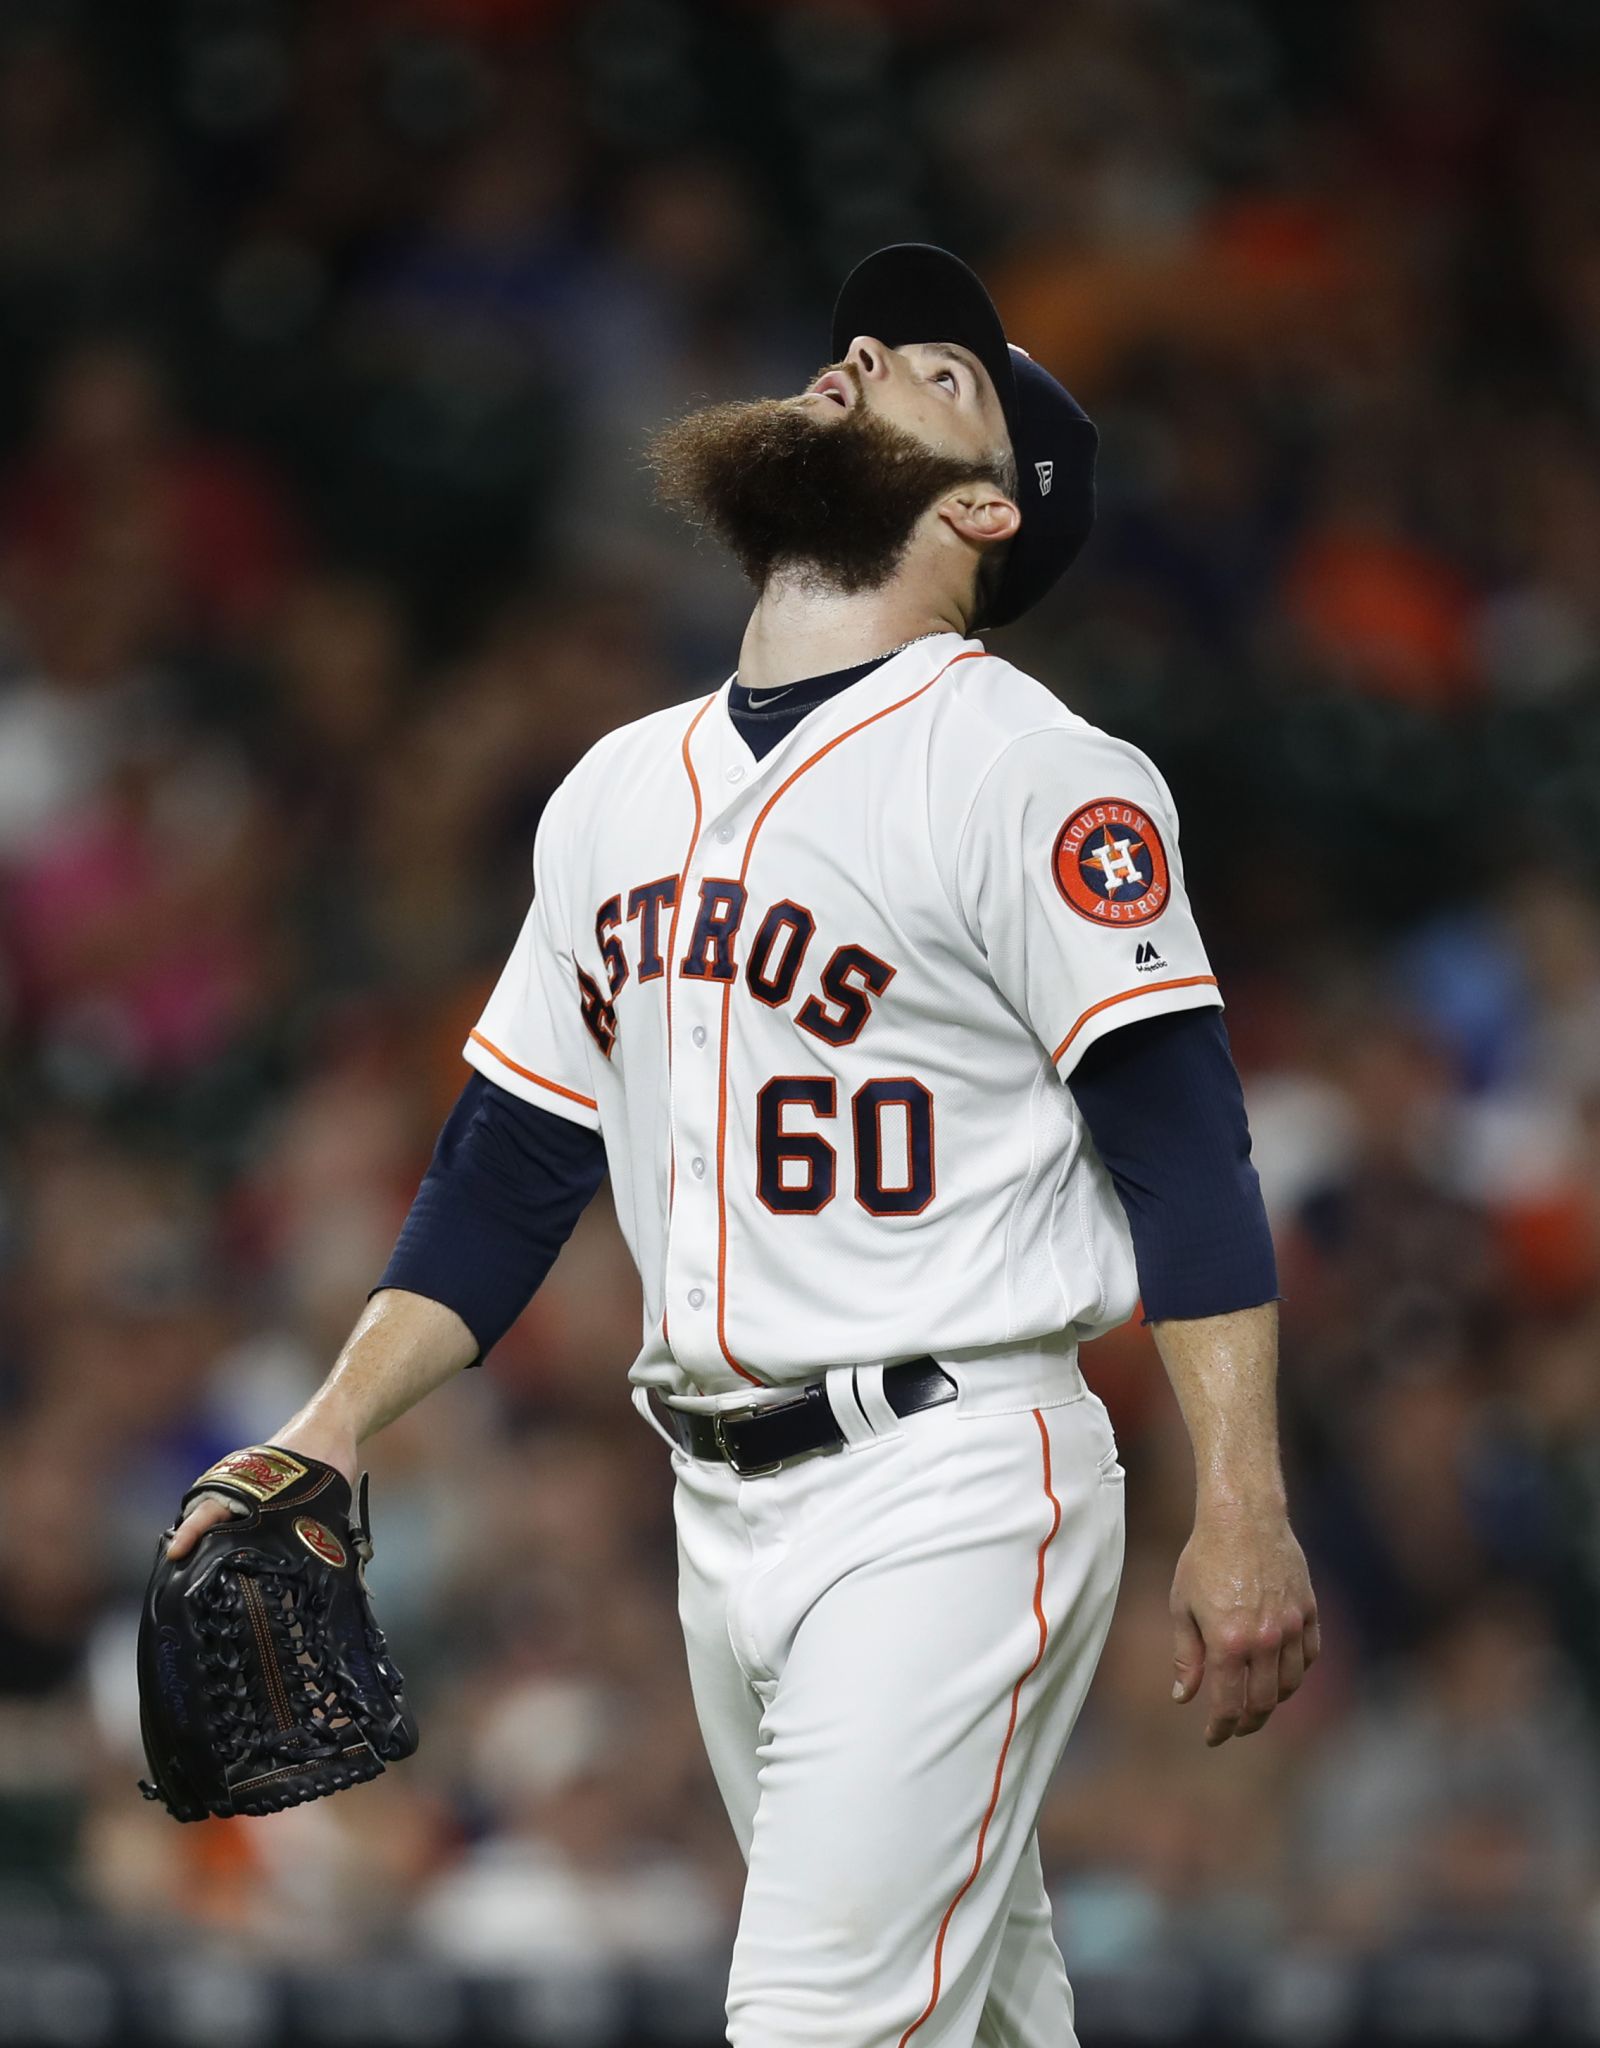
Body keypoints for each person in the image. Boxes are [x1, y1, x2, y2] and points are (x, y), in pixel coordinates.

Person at [170, 244, 1319, 2048]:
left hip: (952, 1474)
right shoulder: (618, 785)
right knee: (984, 2018)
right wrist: (330, 1422)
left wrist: (1241, 1502)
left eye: (939, 373)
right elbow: (508, 1170)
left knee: (809, 2024)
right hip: (720, 1510)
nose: (860, 356)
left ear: (992, 513)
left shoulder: (1035, 770)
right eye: (861, 341)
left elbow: (1186, 1155)